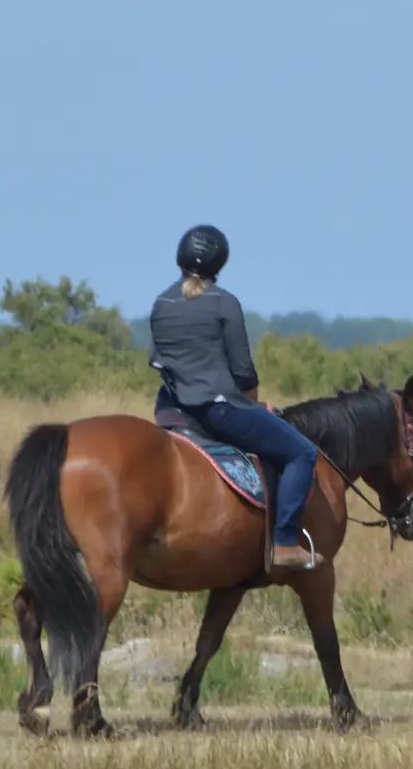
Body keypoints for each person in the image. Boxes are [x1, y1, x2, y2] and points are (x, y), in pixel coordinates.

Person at [149, 224, 325, 571]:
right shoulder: (224, 303)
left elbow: (158, 361)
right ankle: (286, 543)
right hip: (218, 410)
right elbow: (244, 372)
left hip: (172, 412)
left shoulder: (161, 304)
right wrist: (252, 404)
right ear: (219, 263)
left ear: (180, 258)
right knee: (301, 453)